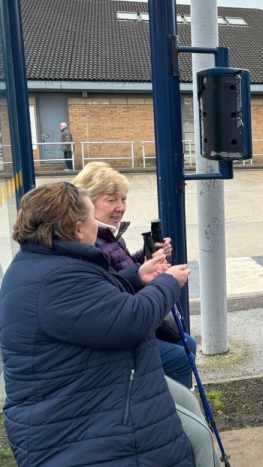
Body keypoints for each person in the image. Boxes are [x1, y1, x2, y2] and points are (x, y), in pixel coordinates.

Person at [0, 182, 195, 466]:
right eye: (92, 217)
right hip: (81, 429)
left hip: (82, 399)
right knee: (195, 437)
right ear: (77, 228)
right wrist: (168, 283)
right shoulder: (57, 279)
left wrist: (137, 276)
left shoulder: (44, 262)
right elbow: (130, 320)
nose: (98, 224)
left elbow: (93, 306)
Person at [73, 162, 198, 388]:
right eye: (111, 200)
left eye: (123, 199)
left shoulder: (110, 235)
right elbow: (113, 286)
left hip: (123, 323)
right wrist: (161, 280)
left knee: (187, 342)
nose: (120, 207)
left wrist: (148, 256)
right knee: (181, 356)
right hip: (116, 332)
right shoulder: (92, 241)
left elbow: (122, 266)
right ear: (88, 204)